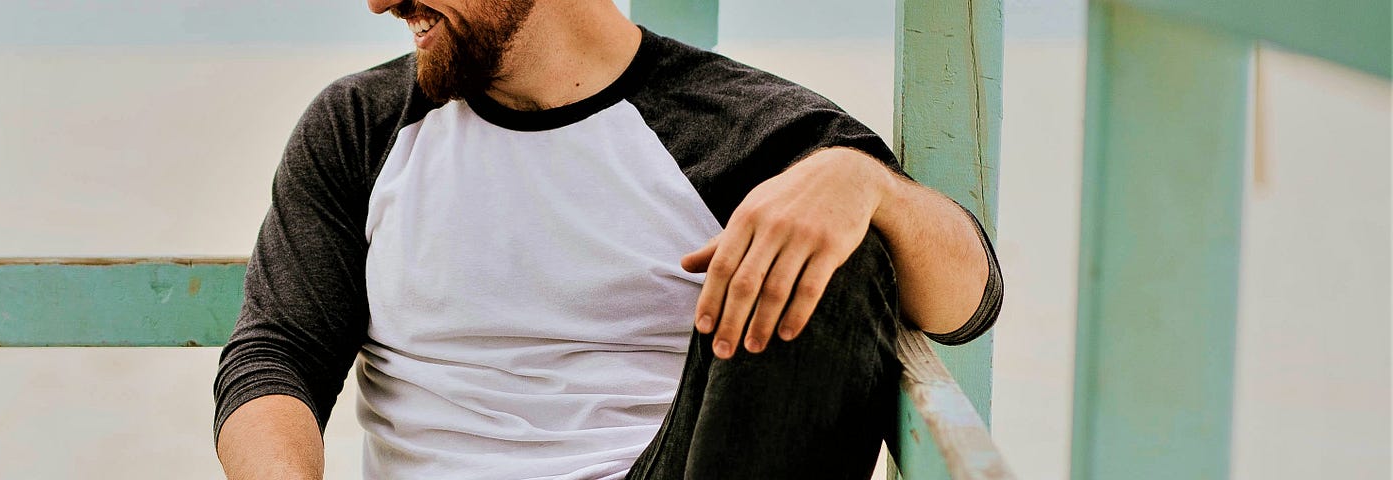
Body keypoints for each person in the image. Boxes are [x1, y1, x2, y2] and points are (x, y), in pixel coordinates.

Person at [212, 0, 1003, 478]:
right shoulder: (359, 128)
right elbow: (275, 352)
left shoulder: (737, 126)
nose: (379, 2)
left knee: (841, 244)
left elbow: (969, 301)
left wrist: (863, 183)